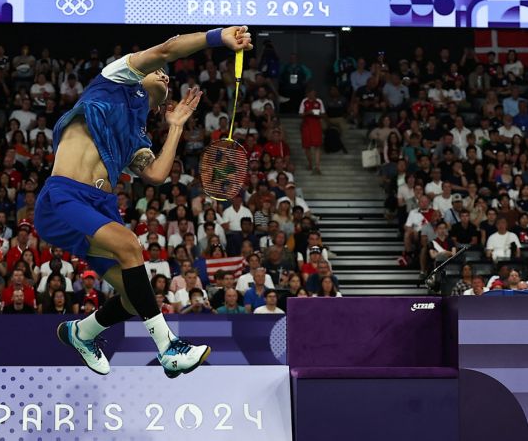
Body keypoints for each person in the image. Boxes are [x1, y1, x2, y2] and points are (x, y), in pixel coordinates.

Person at [34, 26, 252, 377]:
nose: (163, 75)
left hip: (99, 205)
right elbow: (168, 49)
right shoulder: (115, 79)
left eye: (165, 79)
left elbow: (155, 174)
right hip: (65, 194)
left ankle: (82, 332)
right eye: (158, 72)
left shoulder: (137, 133)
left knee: (135, 296)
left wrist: (177, 126)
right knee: (131, 247)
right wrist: (218, 37)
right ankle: (168, 346)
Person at [299, 89, 325, 174]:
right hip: (306, 126)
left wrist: (317, 113)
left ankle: (317, 166)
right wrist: (308, 112)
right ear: (308, 94)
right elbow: (300, 114)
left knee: (317, 146)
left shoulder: (319, 101)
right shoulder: (304, 101)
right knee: (307, 146)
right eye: (311, 93)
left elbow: (323, 114)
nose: (313, 95)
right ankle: (310, 163)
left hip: (316, 125)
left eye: (314, 93)